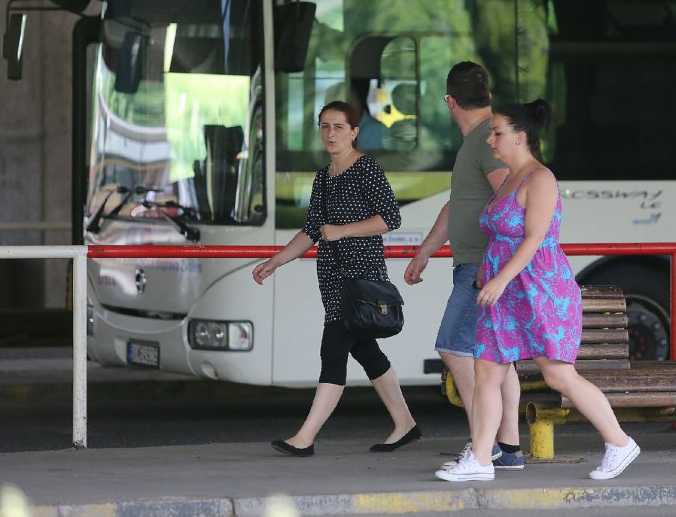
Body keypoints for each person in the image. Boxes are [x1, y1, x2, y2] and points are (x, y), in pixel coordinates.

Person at [435, 99, 640, 482]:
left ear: (521, 136)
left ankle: (619, 442)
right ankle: (481, 458)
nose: (490, 139)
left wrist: (499, 278)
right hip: (505, 293)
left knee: (558, 375)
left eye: (497, 132)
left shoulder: (540, 178)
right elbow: (502, 235)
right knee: (486, 372)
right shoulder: (508, 178)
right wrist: (487, 273)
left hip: (539, 290)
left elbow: (534, 238)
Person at [253, 100, 420, 456]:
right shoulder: (323, 176)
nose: (331, 134)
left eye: (339, 127)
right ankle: (405, 423)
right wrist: (275, 262)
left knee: (333, 351)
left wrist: (342, 230)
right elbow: (311, 230)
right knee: (365, 349)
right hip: (333, 279)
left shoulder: (366, 168)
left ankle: (305, 437)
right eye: (325, 126)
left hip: (360, 276)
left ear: (354, 132)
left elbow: (390, 218)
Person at [404, 62, 523, 470]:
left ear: (449, 101)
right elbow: (459, 205)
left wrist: (492, 264)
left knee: (453, 347)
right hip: (485, 266)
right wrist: (424, 252)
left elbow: (509, 196)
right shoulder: (481, 139)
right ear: (487, 96)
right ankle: (508, 447)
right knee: (498, 358)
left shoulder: (485, 140)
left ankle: (482, 446)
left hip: (481, 268)